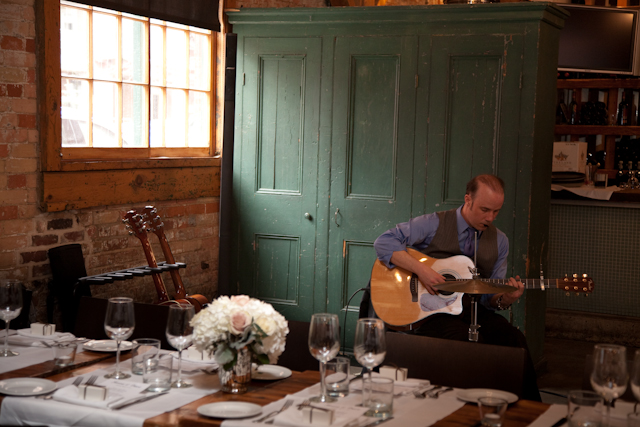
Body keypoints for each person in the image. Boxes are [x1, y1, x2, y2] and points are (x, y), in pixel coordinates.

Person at [372, 174, 541, 401]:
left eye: (496, 212)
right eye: (485, 209)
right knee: (464, 342)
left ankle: (528, 411)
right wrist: (422, 271)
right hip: (431, 311)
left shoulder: (500, 241)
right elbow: (384, 241)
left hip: (471, 309)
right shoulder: (434, 223)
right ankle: (464, 406)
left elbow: (488, 298)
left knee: (514, 340)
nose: (490, 218)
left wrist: (504, 299)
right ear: (468, 200)